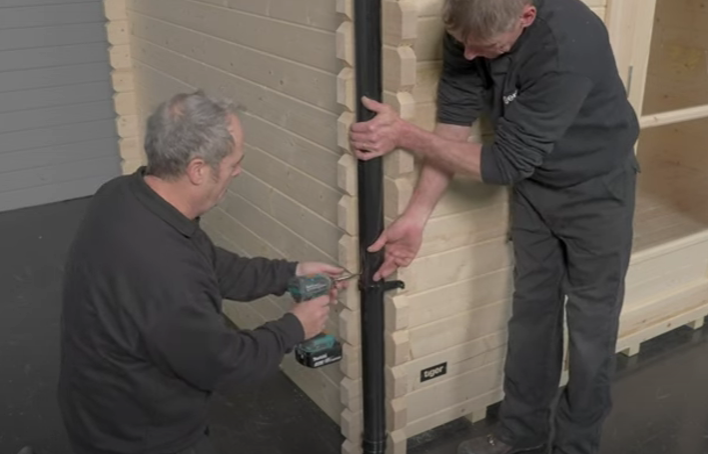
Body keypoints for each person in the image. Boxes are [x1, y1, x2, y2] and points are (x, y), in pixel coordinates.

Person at [349, 0, 640, 453]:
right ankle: (519, 438)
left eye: (484, 48)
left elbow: (504, 162)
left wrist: (404, 134)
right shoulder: (470, 26)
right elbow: (453, 127)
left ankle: (576, 447)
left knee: (590, 330)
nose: (468, 56)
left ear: (525, 17)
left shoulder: (569, 45)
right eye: (462, 45)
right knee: (531, 318)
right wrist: (416, 216)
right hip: (535, 188)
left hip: (598, 191)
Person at [58, 91, 346, 454]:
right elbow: (226, 364)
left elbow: (208, 263)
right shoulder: (164, 273)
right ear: (198, 170)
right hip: (141, 437)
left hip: (96, 403)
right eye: (233, 162)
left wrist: (289, 273)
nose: (238, 170)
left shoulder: (125, 195)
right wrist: (296, 326)